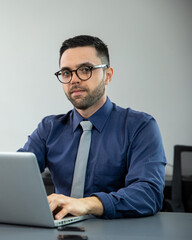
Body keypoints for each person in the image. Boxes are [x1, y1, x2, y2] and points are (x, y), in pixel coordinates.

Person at [18, 35, 166, 219]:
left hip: (117, 231)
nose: (74, 80)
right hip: (59, 229)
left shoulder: (140, 127)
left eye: (85, 69)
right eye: (66, 72)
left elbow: (149, 194)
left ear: (108, 75)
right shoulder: (49, 128)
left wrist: (87, 204)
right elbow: (17, 173)